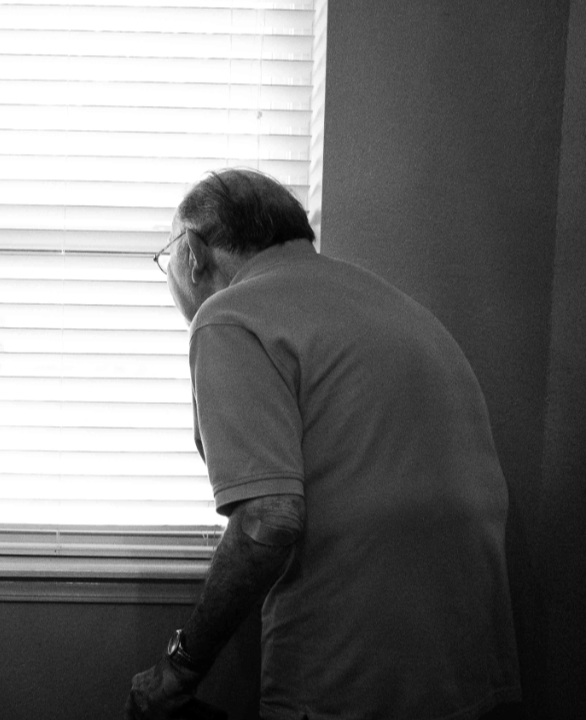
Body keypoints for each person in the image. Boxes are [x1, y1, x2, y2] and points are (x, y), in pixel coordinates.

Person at [125, 169, 521, 720]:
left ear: (192, 252)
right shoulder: (391, 304)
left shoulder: (230, 315)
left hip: (350, 676)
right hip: (471, 668)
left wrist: (180, 666)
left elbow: (269, 520)